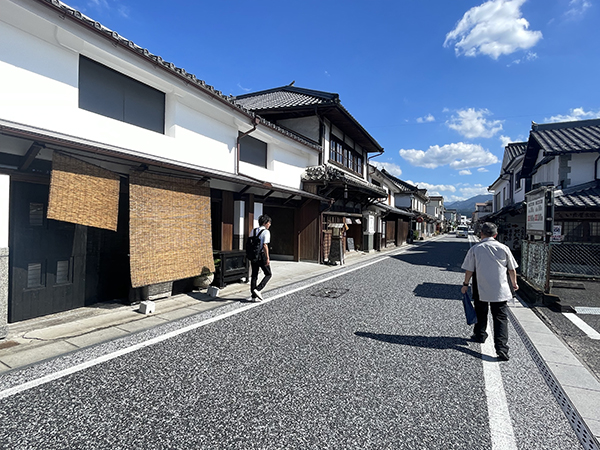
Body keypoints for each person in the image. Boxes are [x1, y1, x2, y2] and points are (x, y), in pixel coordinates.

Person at [460, 222, 518, 361]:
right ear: (495, 234)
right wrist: (514, 283)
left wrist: (465, 284)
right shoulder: (504, 248)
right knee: (500, 318)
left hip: (481, 287)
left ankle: (480, 335)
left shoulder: (475, 249)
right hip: (501, 288)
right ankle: (502, 348)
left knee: (481, 312)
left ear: (481, 234)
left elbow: (470, 270)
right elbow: (511, 269)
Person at [250, 214, 272, 302]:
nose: (269, 224)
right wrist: (267, 258)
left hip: (253, 255)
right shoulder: (266, 232)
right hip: (261, 255)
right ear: (265, 223)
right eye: (269, 223)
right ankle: (258, 289)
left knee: (254, 275)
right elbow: (265, 245)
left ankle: (253, 296)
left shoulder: (253, 231)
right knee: (268, 274)